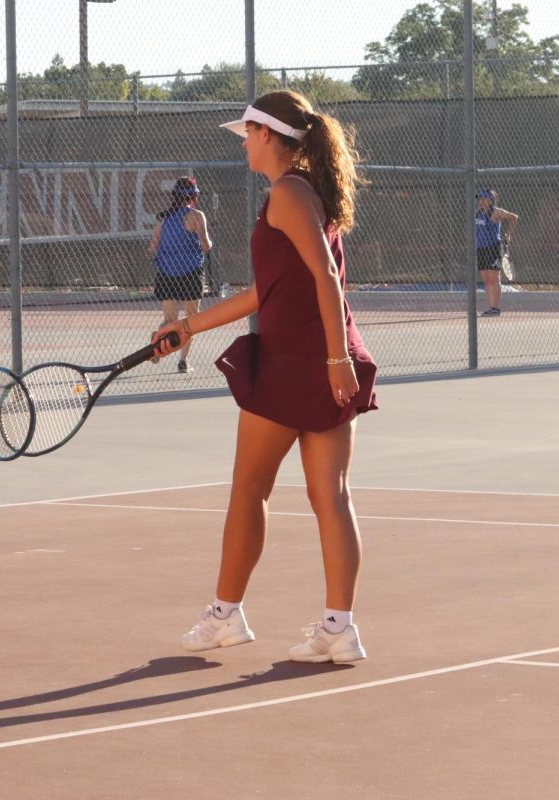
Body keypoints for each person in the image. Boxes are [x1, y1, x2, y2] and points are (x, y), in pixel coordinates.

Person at [153, 91, 378, 663]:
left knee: (250, 491)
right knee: (330, 494)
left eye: (249, 133)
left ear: (270, 136)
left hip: (297, 362)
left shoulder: (287, 192)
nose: (244, 143)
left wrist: (335, 360)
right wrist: (191, 327)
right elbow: (267, 291)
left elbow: (327, 277)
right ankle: (339, 628)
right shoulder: (301, 193)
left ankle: (225, 616)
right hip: (317, 355)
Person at [147, 176, 212, 373]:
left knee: (169, 319)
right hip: (190, 273)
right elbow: (205, 245)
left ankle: (157, 342)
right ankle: (183, 361)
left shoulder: (165, 217)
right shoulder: (196, 216)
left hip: (167, 273)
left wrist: (169, 254)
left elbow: (152, 247)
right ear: (193, 196)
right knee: (191, 319)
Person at [475, 189, 519, 317]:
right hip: (481, 249)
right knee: (486, 280)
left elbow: (514, 217)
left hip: (493, 248)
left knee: (494, 279)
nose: (481, 201)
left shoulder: (496, 212)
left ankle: (496, 307)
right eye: (480, 198)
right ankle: (491, 307)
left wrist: (508, 234)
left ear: (490, 200)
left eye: (483, 198)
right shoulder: (477, 213)